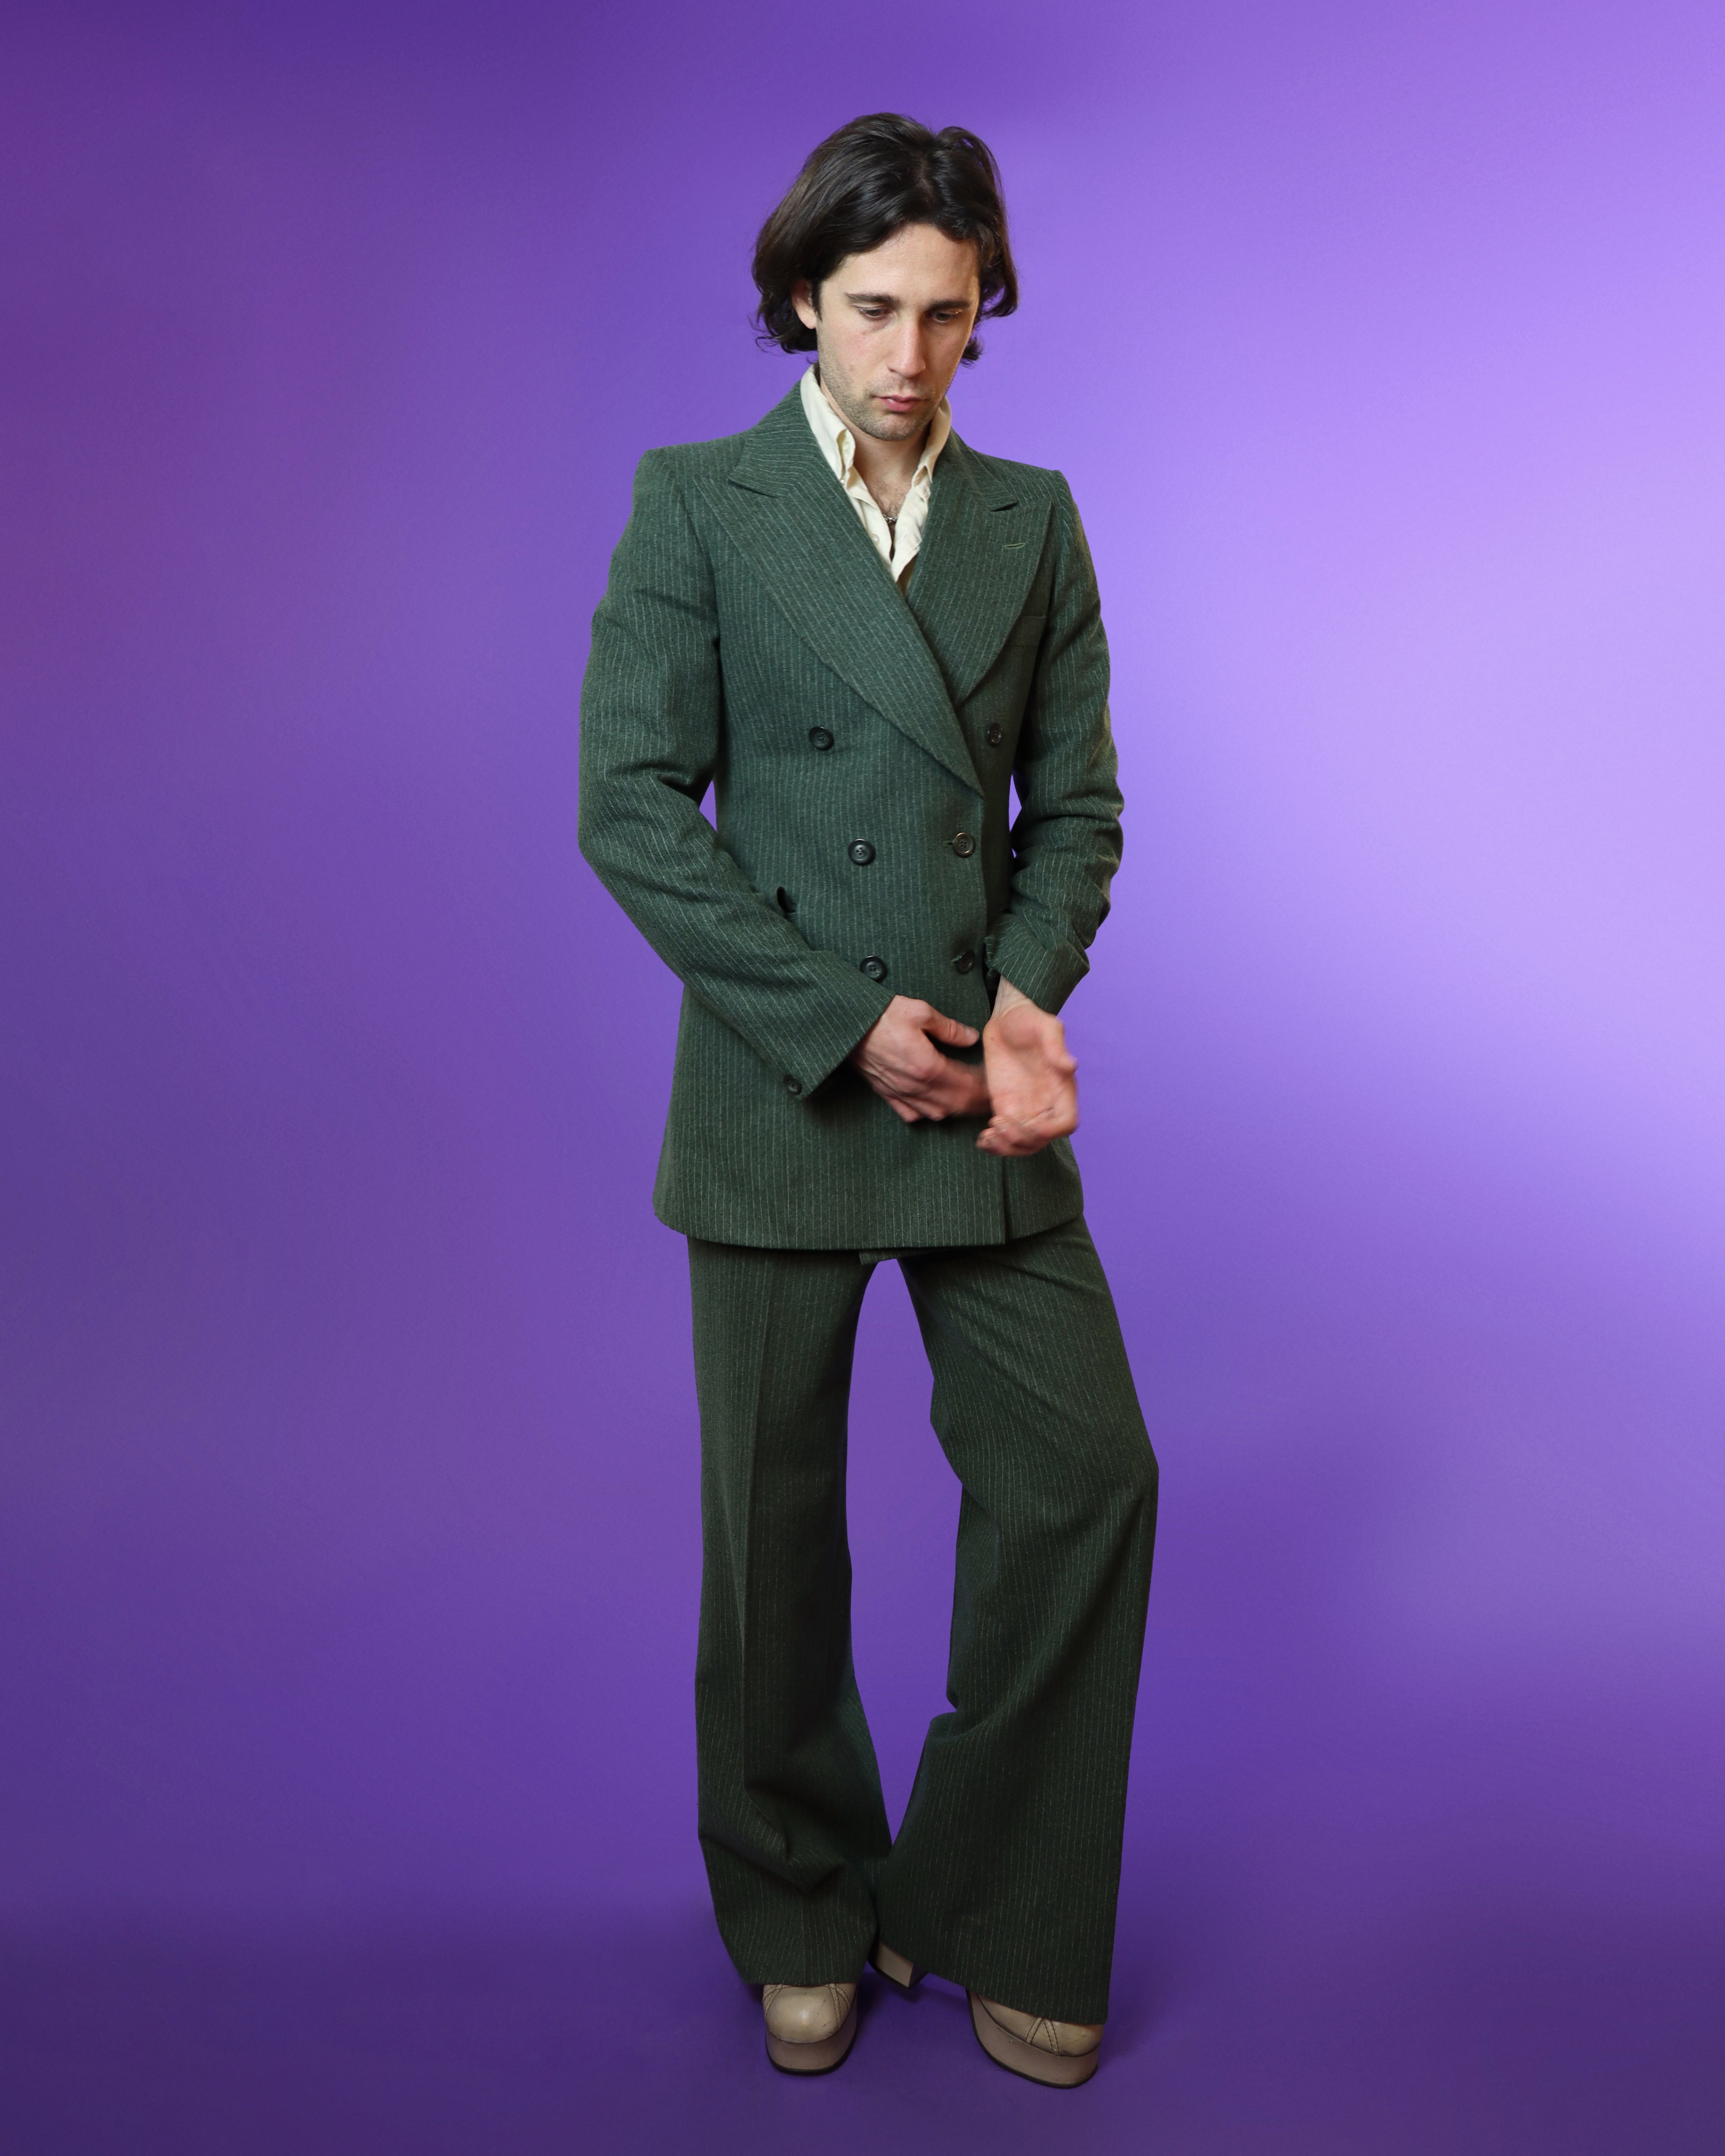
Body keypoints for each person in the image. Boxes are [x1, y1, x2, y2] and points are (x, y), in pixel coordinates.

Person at [578, 113, 1157, 2088]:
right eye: (870, 308)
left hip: (979, 1094)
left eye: (946, 312)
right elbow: (629, 810)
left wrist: (1019, 1002)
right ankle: (801, 1905)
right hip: (784, 1089)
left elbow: (1075, 810)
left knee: (1085, 1478)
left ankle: (985, 1897)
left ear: (985, 311)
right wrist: (840, 1023)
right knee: (775, 1546)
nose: (907, 355)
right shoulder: (698, 503)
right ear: (801, 303)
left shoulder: (1034, 520)